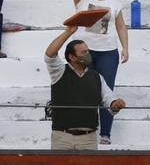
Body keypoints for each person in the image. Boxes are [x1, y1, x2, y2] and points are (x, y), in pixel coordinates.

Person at [73, 0, 130, 144]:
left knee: (108, 91)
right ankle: (86, 129)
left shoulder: (113, 0)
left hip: (108, 53)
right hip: (85, 52)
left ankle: (105, 133)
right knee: (85, 90)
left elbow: (121, 25)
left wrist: (125, 47)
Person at [44, 21, 126, 150]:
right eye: (83, 52)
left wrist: (116, 104)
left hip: (89, 138)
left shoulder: (96, 77)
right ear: (72, 57)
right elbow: (49, 55)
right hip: (62, 137)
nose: (88, 55)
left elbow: (109, 99)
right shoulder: (59, 72)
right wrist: (68, 32)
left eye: (88, 51)